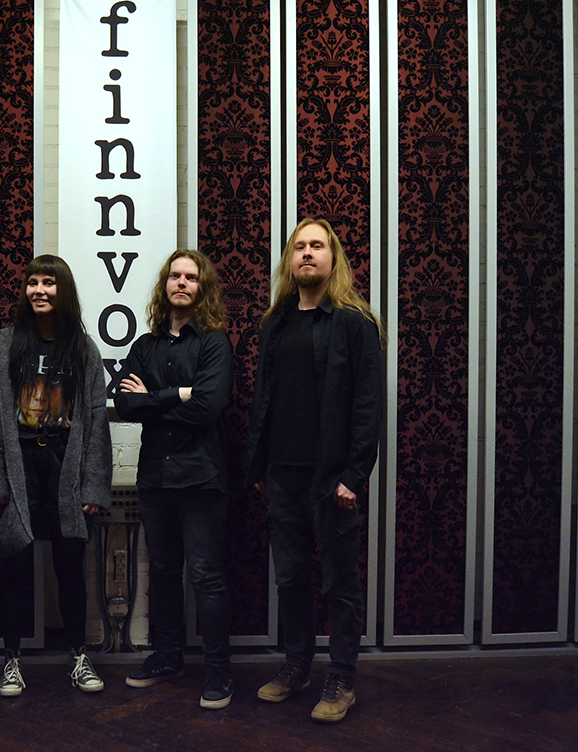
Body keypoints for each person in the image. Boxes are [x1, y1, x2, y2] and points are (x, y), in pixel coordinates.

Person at [246, 219, 384, 723]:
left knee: (340, 586)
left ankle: (342, 679)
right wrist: (260, 464)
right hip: (282, 476)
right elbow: (264, 398)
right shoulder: (276, 323)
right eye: (299, 246)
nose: (307, 253)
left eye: (317, 246)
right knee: (291, 579)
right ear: (290, 260)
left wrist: (354, 475)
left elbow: (368, 406)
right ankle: (297, 666)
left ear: (333, 258)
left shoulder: (355, 323)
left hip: (331, 479)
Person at [0, 254, 112, 697]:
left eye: (49, 283)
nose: (39, 291)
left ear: (62, 290)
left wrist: (93, 485)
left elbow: (96, 420)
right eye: (33, 283)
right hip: (18, 468)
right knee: (13, 568)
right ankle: (12, 660)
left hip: (64, 466)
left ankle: (79, 656)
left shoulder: (83, 349)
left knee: (70, 569)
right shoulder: (4, 345)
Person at [114, 249, 235, 709]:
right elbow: (125, 405)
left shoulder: (214, 344)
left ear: (202, 288)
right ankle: (167, 658)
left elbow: (207, 408)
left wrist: (155, 398)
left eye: (191, 277)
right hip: (156, 478)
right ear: (165, 285)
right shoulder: (145, 346)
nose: (181, 283)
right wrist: (179, 394)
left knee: (205, 576)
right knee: (163, 572)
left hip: (201, 478)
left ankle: (219, 673)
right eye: (175, 276)